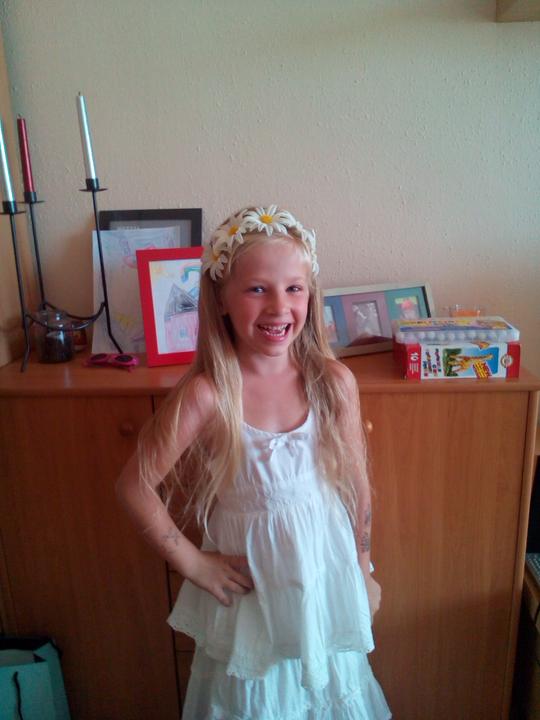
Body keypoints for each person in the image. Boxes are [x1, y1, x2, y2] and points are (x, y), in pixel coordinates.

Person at [115, 205, 392, 719]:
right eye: (257, 289)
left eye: (294, 288)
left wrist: (362, 568)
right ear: (221, 299)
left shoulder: (333, 383)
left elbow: (357, 485)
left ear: (310, 295)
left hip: (322, 583)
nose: (278, 306)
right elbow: (134, 485)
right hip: (252, 597)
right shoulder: (208, 394)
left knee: (330, 692)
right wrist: (192, 563)